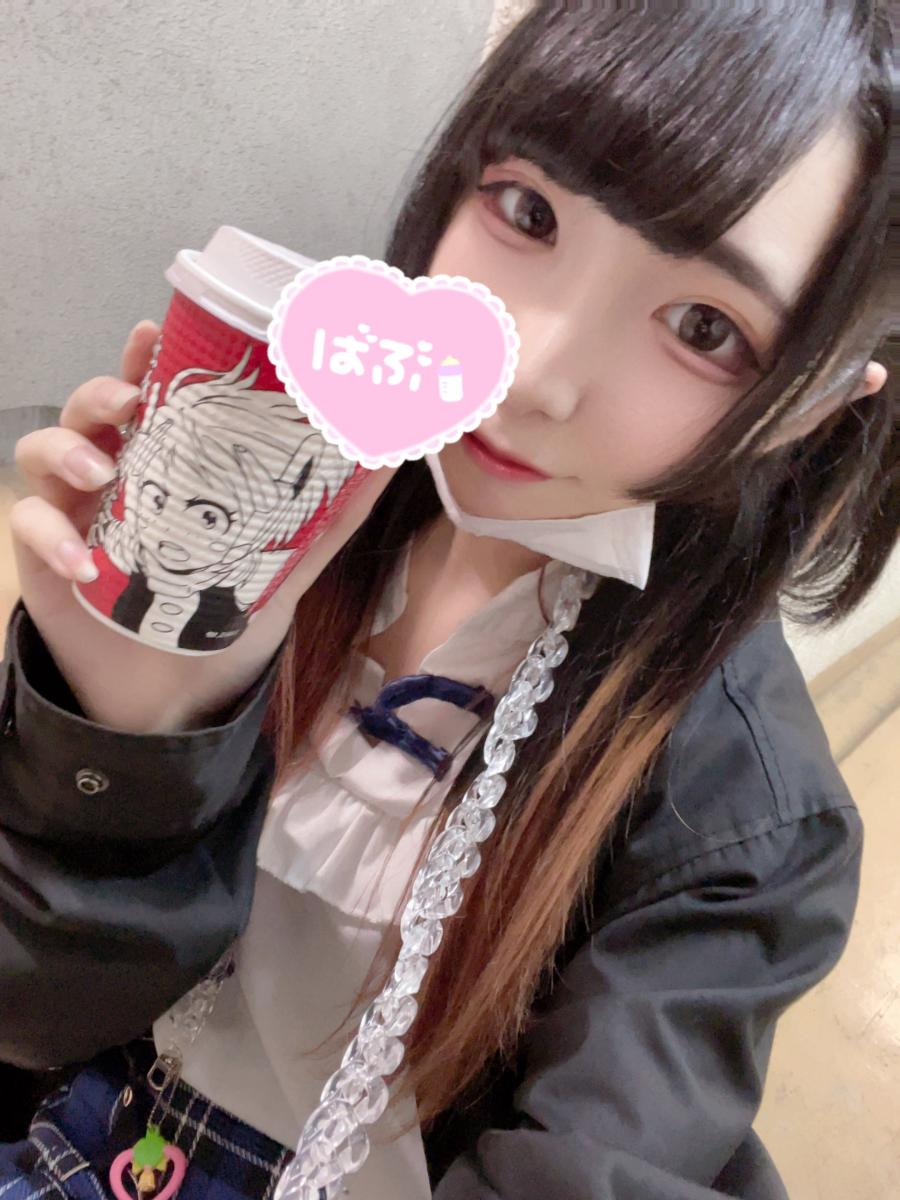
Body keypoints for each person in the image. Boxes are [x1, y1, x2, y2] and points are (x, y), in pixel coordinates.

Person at [0, 3, 896, 1197]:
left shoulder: (749, 817)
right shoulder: (292, 482)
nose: (533, 371)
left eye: (705, 329)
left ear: (815, 403)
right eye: (528, 212)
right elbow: (33, 1011)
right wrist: (122, 720)